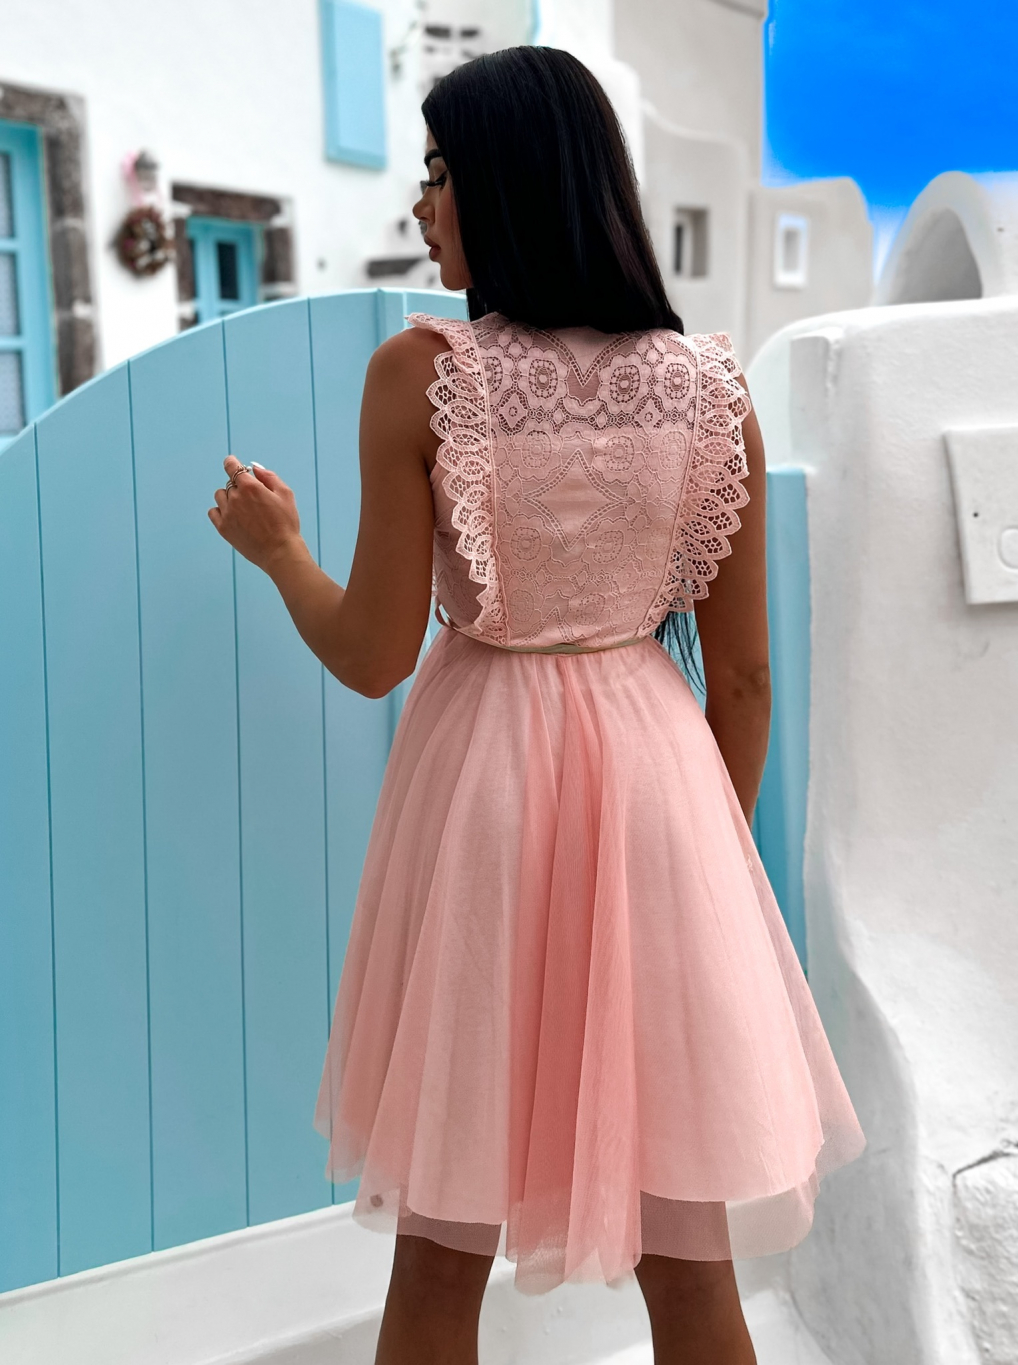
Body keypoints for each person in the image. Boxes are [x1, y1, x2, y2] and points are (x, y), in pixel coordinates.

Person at [209, 45, 864, 1365]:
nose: (421, 205)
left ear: (508, 184)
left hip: (486, 800)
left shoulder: (424, 378)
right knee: (694, 1266)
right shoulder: (711, 390)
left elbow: (375, 654)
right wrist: (709, 864)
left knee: (439, 1257)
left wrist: (280, 552)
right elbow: (741, 678)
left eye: (439, 172)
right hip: (661, 801)